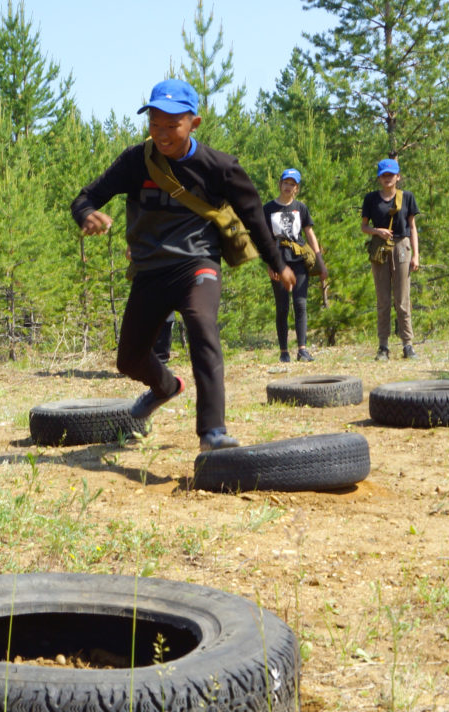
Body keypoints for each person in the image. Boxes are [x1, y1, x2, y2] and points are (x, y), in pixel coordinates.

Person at [71, 79, 295, 451]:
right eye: (154, 124)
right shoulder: (135, 161)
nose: (161, 134)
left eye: (171, 125)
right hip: (150, 271)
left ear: (194, 123)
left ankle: (212, 432)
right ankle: (166, 386)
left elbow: (254, 216)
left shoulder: (219, 167)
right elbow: (87, 196)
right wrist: (87, 214)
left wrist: (277, 262)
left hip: (197, 264)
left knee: (202, 327)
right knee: (128, 359)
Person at [360, 158, 420, 361]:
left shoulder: (407, 197)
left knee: (403, 299)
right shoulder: (370, 199)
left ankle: (408, 344)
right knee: (383, 300)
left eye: (391, 175)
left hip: (402, 246)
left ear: (398, 177)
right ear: (379, 178)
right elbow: (364, 227)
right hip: (379, 248)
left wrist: (416, 255)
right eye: (384, 175)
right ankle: (383, 346)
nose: (387, 178)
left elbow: (412, 227)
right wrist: (378, 231)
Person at [264, 168, 325, 362]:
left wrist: (319, 259)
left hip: (299, 259)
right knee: (282, 306)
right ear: (280, 184)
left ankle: (302, 349)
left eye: (292, 184)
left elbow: (309, 233)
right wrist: (269, 264)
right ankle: (284, 351)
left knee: (300, 304)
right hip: (278, 260)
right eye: (286, 182)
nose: (288, 186)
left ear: (296, 188)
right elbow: (263, 238)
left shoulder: (301, 208)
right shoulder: (268, 209)